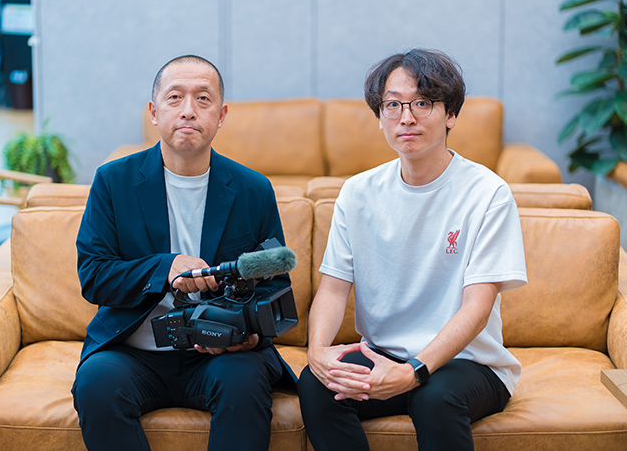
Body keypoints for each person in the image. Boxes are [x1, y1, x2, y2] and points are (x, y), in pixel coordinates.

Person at [297, 48, 528, 451]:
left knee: (433, 397)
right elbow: (333, 289)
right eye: (393, 105)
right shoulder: (358, 192)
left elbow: (477, 308)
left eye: (422, 103)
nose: (406, 117)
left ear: (450, 114)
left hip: (469, 363)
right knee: (317, 385)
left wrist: (415, 371)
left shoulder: (487, 193)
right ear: (380, 116)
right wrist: (317, 353)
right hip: (383, 353)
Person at [73, 55, 293, 451]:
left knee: (244, 382)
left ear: (221, 115)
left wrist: (247, 335)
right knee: (96, 385)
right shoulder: (113, 181)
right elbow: (94, 275)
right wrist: (166, 267)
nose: (188, 110)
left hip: (221, 355)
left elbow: (274, 284)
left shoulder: (253, 189)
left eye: (203, 99)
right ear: (154, 112)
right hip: (132, 353)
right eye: (175, 97)